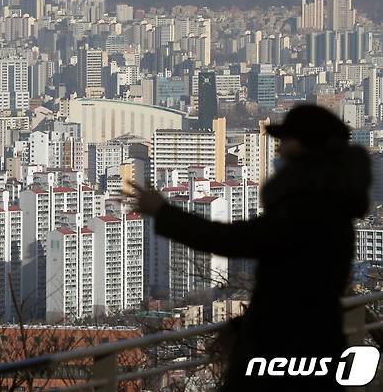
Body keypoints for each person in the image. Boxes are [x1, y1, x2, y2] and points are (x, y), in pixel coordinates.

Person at [126, 105, 372, 391]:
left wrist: (164, 213)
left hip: (287, 351)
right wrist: (244, 328)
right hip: (310, 343)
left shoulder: (309, 209)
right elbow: (292, 288)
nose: (278, 152)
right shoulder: (332, 205)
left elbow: (233, 240)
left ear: (306, 146)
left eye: (285, 142)